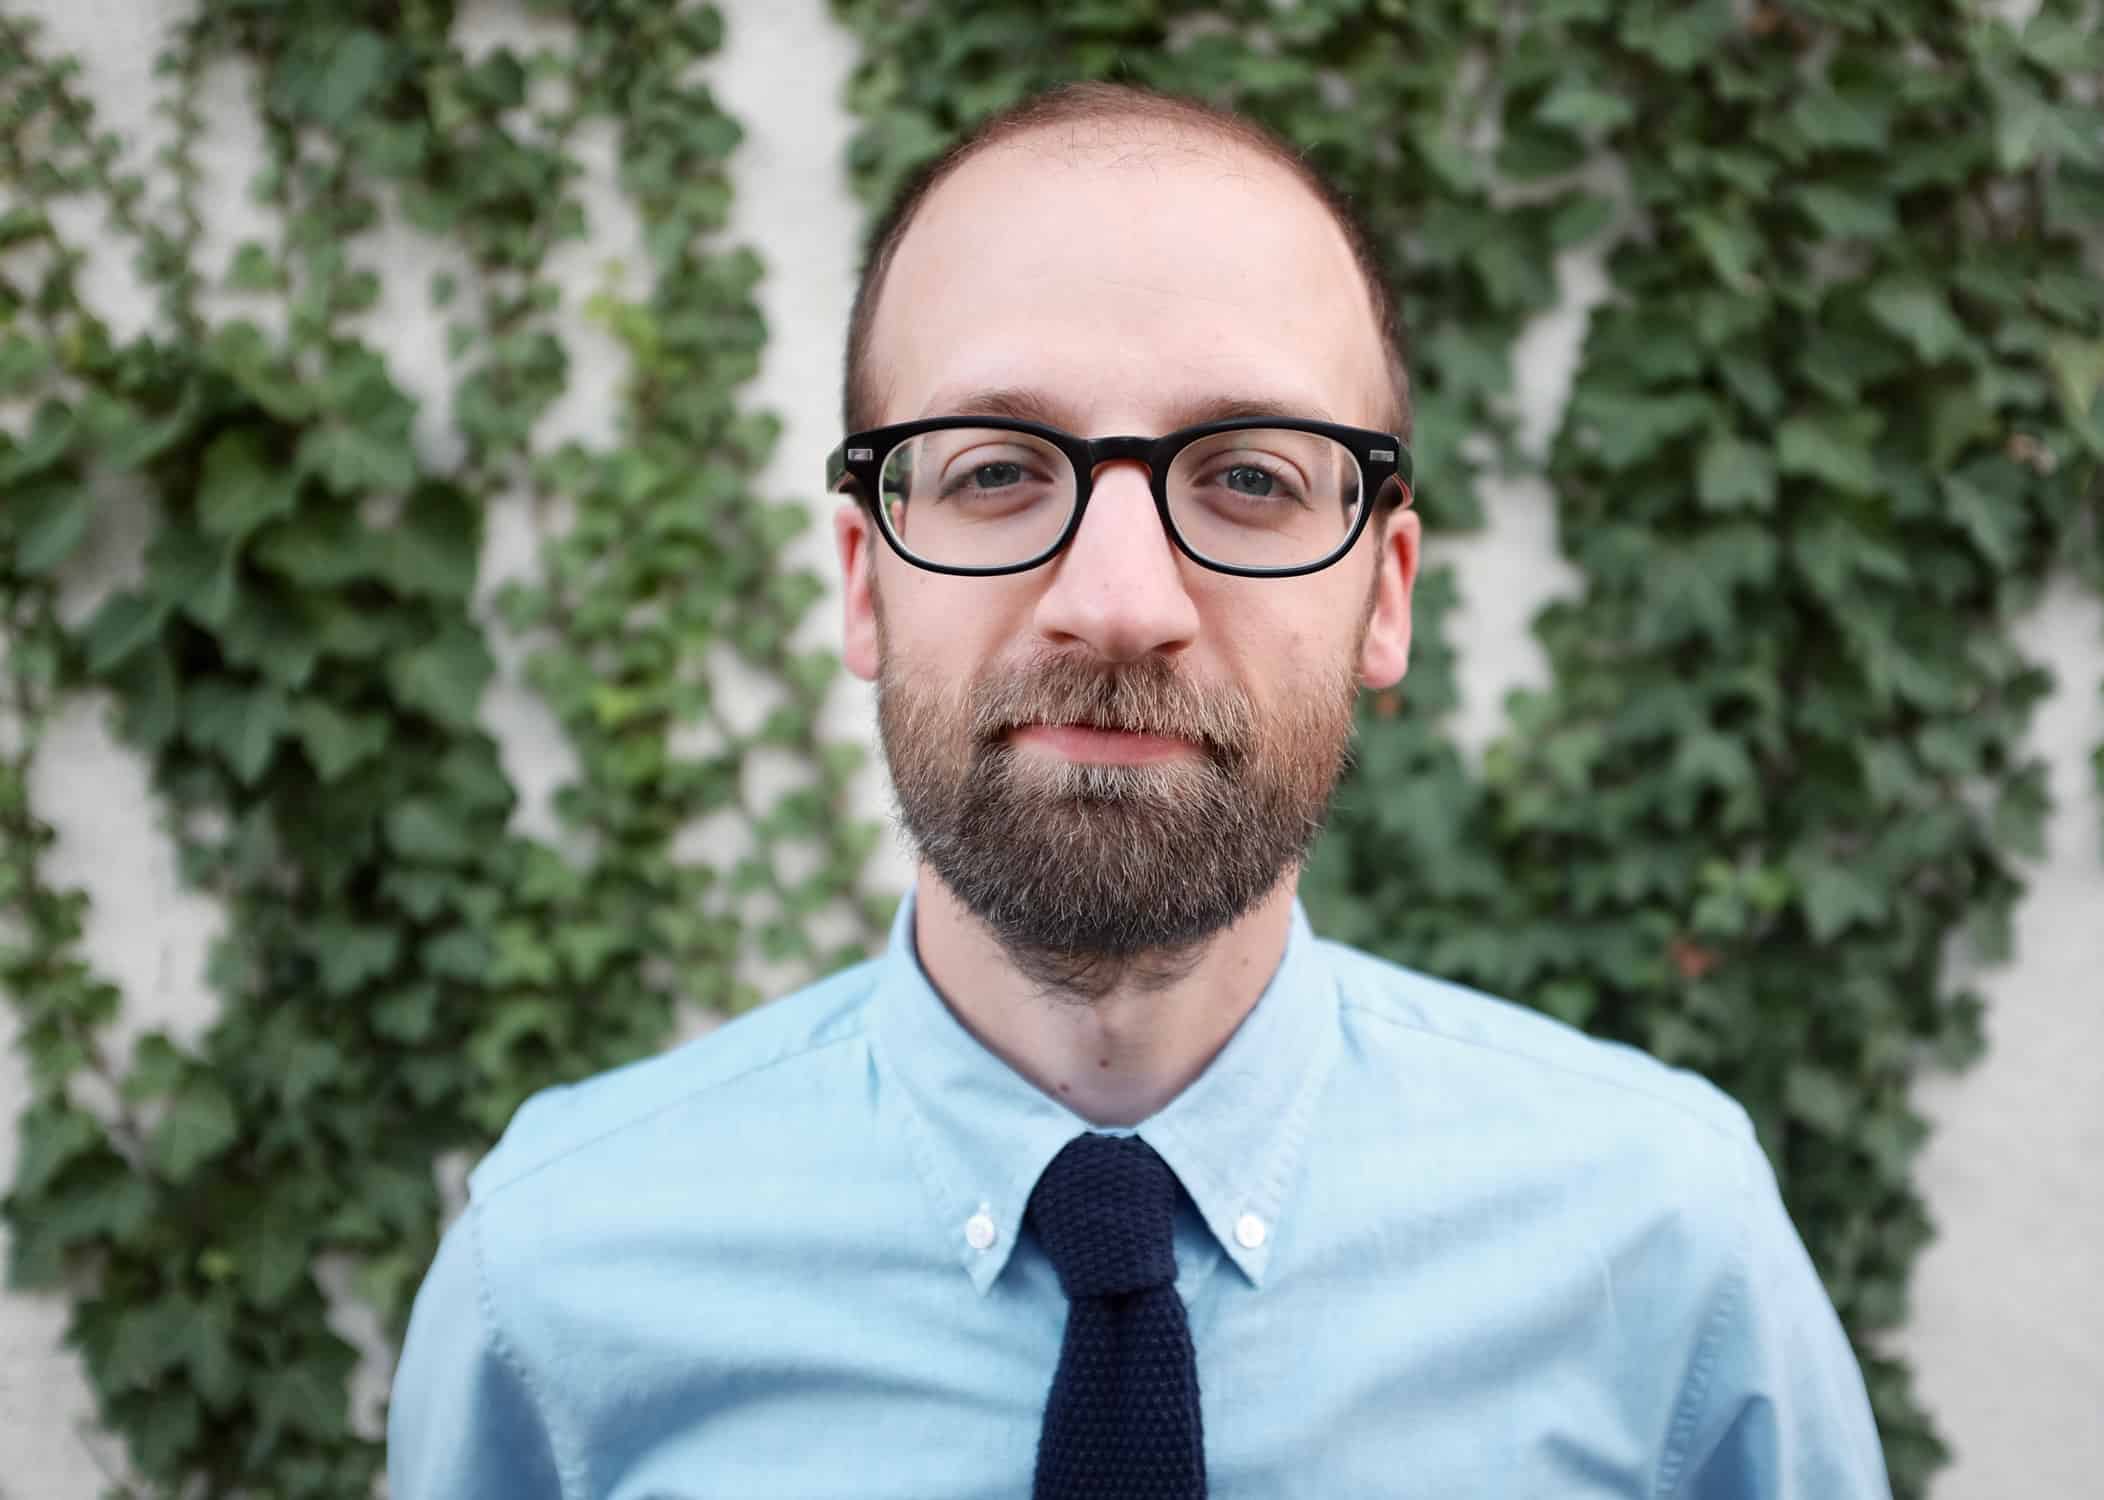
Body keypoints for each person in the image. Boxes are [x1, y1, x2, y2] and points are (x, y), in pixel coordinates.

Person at [388, 81, 1891, 1499]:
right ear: (863, 581)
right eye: (993, 471)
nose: (1116, 602)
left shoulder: (1662, 1243)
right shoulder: (560, 1271)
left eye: (1248, 476)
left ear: (1385, 593)